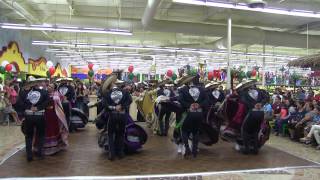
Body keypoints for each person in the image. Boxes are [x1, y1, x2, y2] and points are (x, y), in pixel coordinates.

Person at [178, 74, 208, 158]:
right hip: (199, 114)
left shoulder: (183, 90)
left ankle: (187, 148)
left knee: (184, 130)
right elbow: (206, 101)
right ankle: (194, 150)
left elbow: (180, 100)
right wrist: (199, 105)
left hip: (188, 114)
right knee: (195, 132)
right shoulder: (202, 89)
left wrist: (189, 105)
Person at [103, 75, 132, 161]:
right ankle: (120, 153)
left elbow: (105, 105)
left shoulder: (107, 93)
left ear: (111, 84)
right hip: (123, 115)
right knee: (121, 134)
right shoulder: (125, 92)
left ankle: (112, 154)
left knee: (111, 134)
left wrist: (114, 108)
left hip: (112, 115)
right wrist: (122, 106)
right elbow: (130, 100)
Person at [21, 77, 49, 162]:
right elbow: (47, 101)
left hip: (29, 116)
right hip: (39, 115)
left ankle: (29, 154)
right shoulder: (44, 92)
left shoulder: (25, 92)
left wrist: (30, 107)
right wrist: (38, 108)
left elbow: (20, 102)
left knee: (28, 135)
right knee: (40, 134)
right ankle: (40, 153)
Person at [38, 83, 68, 155]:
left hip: (54, 114)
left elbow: (61, 102)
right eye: (48, 86)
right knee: (45, 129)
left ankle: (54, 147)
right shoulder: (44, 93)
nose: (49, 87)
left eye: (51, 86)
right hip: (45, 114)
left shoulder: (57, 94)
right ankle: (43, 147)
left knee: (53, 129)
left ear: (54, 88)